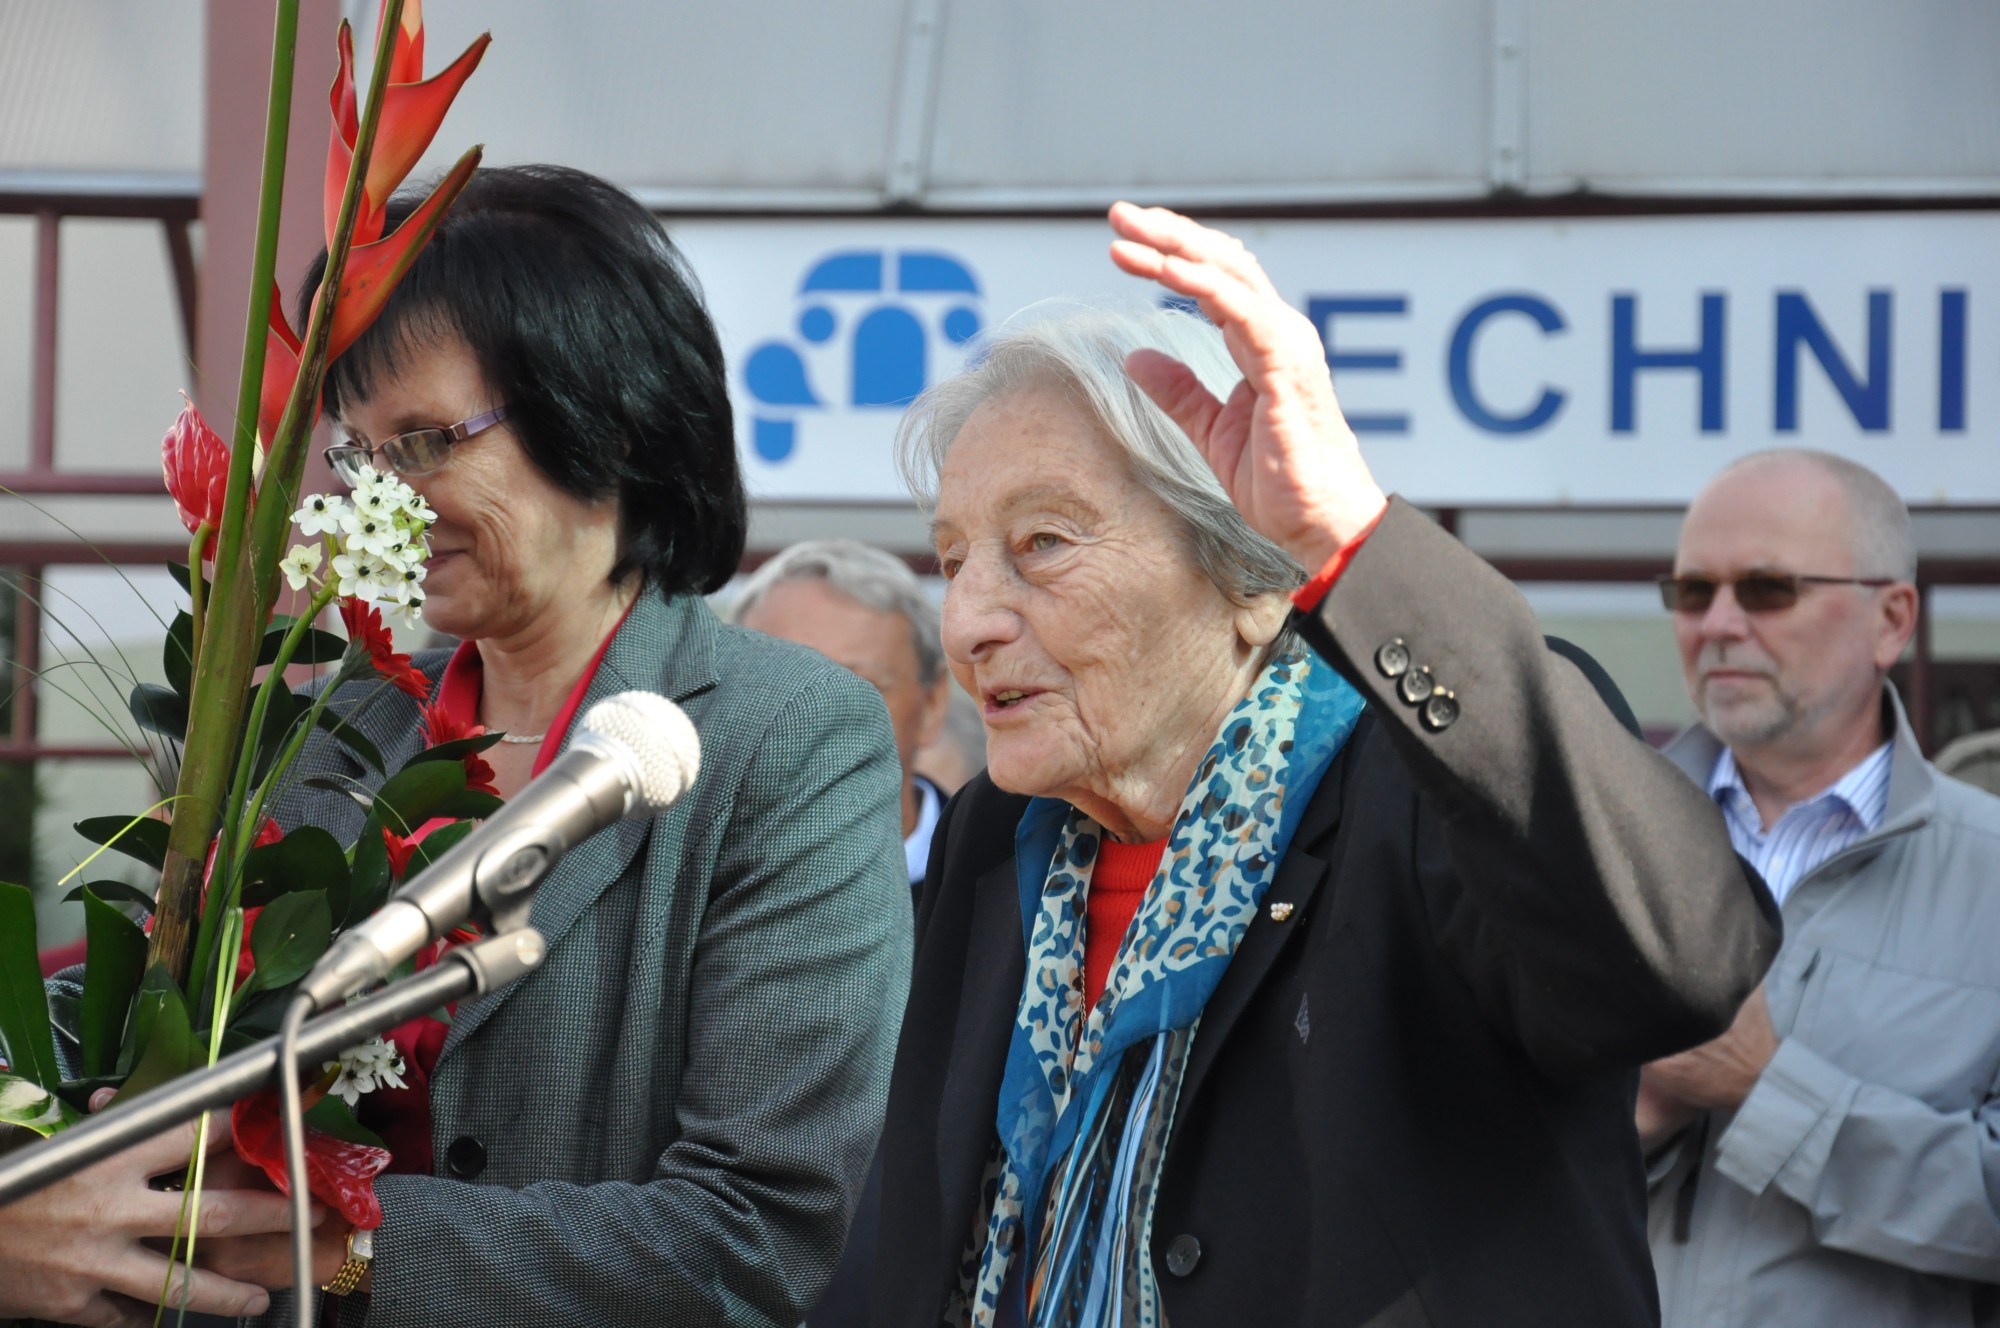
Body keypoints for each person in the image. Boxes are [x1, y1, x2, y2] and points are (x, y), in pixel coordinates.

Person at [869, 203, 1778, 1328]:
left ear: (1249, 578)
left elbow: (1680, 967)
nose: (968, 623)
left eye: (1042, 543)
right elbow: (904, 1245)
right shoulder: (996, 836)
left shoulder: (1427, 781)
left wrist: (1355, 541)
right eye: (952, 560)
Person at [181, 165, 909, 1326]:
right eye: (360, 456)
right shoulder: (335, 727)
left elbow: (751, 1236)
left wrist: (349, 1249)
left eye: (426, 441)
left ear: (604, 419)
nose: (386, 501)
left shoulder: (786, 736)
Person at [1640, 450, 2000, 1326]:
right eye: (1691, 591)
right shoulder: (1600, 844)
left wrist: (1766, 1090)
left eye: (1767, 590)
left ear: (1892, 619)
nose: (1718, 624)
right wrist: (1630, 1117)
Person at [729, 539, 952, 892]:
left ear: (931, 705)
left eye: (857, 691)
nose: (817, 722)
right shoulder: (673, 887)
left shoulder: (1016, 878)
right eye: (782, 692)